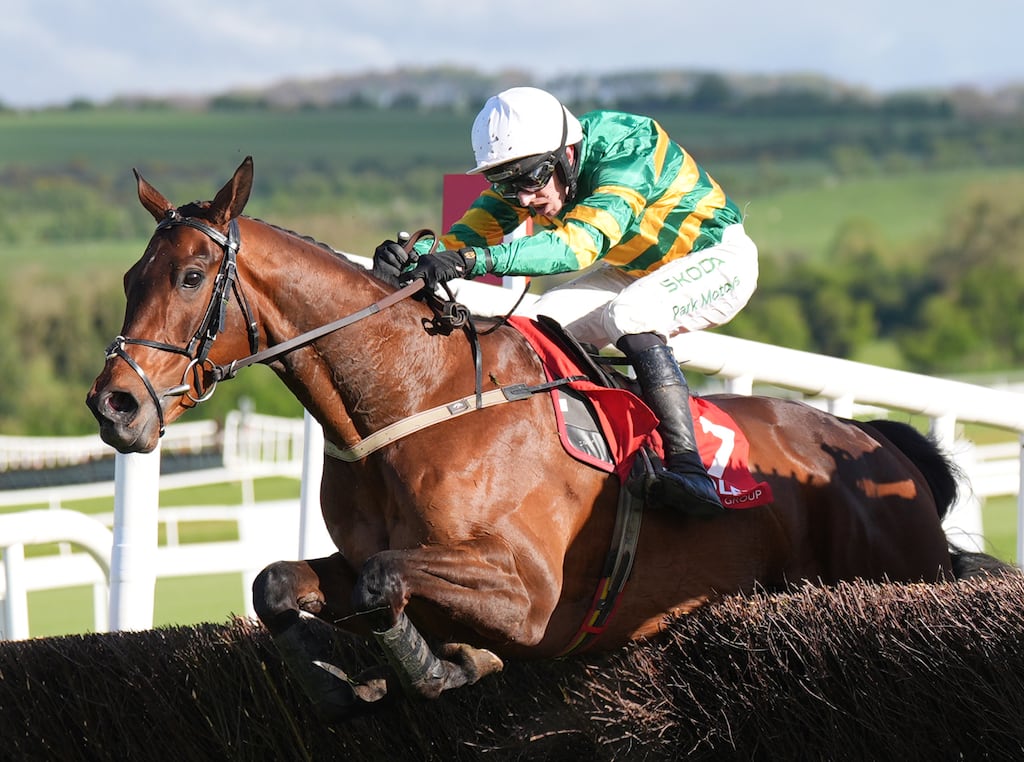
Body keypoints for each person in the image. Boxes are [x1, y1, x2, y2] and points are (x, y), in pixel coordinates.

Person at [373, 86, 758, 517]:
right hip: (635, 271)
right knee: (541, 325)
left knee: (632, 313)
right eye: (504, 182)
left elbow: (577, 247)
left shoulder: (628, 145)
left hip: (718, 259)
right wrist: (418, 258)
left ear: (567, 153)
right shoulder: (534, 163)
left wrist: (471, 260)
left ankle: (691, 471)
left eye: (530, 180)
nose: (522, 198)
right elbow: (469, 234)